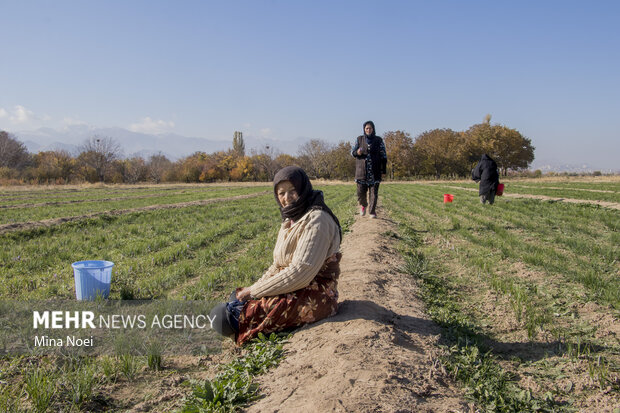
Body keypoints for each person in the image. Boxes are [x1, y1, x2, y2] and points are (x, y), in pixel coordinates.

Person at [210, 166, 342, 345]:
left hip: (315, 294)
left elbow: (300, 272)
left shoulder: (317, 219)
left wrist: (254, 292)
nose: (286, 198)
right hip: (294, 287)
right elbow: (277, 265)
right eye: (281, 193)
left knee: (221, 317)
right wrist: (254, 289)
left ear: (303, 189)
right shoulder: (290, 220)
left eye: (293, 191)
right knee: (235, 299)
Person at [351, 120, 387, 218]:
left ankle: (372, 211)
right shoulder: (359, 139)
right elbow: (352, 152)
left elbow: (384, 156)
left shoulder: (379, 140)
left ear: (373, 129)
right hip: (361, 172)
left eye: (370, 128)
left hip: (374, 172)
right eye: (366, 128)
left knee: (373, 194)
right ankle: (363, 205)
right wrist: (357, 152)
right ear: (364, 129)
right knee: (360, 193)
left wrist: (383, 170)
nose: (368, 130)